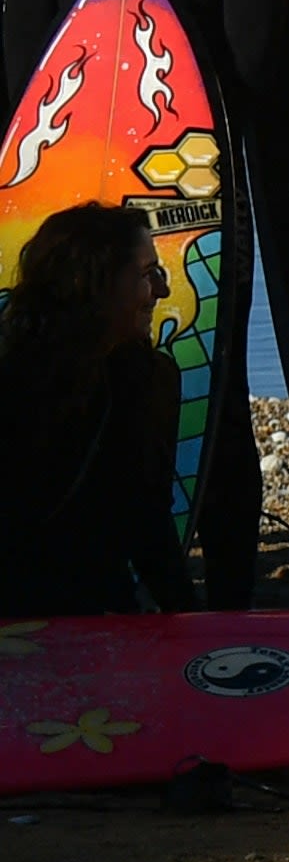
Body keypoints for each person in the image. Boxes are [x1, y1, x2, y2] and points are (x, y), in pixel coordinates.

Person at [0, 0, 289, 585]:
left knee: (211, 391)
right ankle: (66, 577)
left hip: (192, 199)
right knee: (54, 386)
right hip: (69, 205)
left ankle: (229, 605)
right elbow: (23, 77)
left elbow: (256, 67)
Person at [0, 203, 188, 613]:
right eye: (146, 275)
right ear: (95, 284)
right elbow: (150, 530)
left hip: (88, 612)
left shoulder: (150, 379)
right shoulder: (19, 389)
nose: (162, 290)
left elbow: (150, 526)